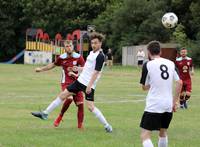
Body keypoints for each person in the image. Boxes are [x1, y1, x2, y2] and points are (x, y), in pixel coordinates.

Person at [31, 32, 113, 133]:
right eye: (92, 43)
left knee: (91, 107)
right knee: (63, 95)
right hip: (80, 81)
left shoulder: (100, 56)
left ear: (100, 43)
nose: (93, 45)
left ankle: (107, 126)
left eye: (96, 43)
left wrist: (89, 86)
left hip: (88, 84)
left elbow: (96, 73)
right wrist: (78, 68)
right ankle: (45, 113)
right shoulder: (91, 53)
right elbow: (87, 68)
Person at [139, 41, 182, 147]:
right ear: (160, 52)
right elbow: (179, 82)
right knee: (162, 133)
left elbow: (144, 87)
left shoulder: (147, 65)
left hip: (154, 104)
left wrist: (151, 84)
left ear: (148, 52)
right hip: (167, 104)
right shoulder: (171, 63)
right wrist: (175, 102)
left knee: (145, 135)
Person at [34, 40, 85, 129]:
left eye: (70, 46)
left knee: (80, 104)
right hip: (66, 82)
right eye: (66, 46)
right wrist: (41, 69)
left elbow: (85, 69)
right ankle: (59, 116)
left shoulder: (79, 57)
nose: (69, 47)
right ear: (64, 48)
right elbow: (53, 65)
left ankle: (80, 127)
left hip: (77, 82)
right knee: (68, 98)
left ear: (73, 47)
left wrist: (76, 73)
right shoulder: (62, 58)